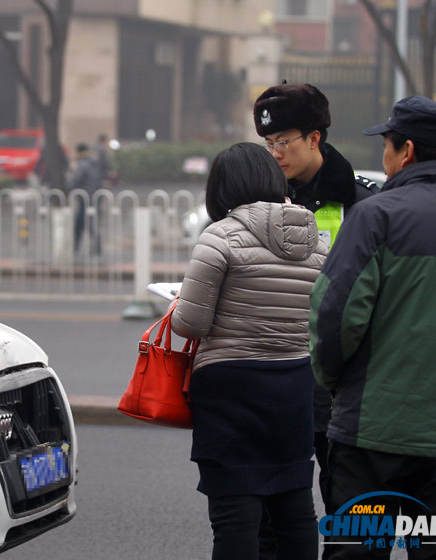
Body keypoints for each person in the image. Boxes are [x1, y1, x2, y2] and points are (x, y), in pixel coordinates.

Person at [309, 96, 436, 559]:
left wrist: (333, 383)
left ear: (405, 151)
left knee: (357, 550)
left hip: (370, 432)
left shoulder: (375, 216)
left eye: (387, 145)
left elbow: (335, 316)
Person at [171, 142, 326, 560]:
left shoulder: (219, 237)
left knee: (235, 512)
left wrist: (176, 306)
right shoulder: (317, 241)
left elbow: (191, 324)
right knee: (295, 508)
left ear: (221, 188)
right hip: (295, 383)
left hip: (230, 387)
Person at [253, 82, 379, 514]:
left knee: (352, 510)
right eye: (268, 143)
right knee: (277, 511)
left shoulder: (363, 204)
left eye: (284, 142)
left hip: (342, 384)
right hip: (276, 376)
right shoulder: (258, 201)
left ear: (314, 138)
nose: (275, 153)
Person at [66, 143, 102, 254]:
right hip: (94, 196)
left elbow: (76, 179)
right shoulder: (94, 162)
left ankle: (77, 246)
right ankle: (93, 247)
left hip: (85, 197)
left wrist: (67, 190)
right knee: (87, 222)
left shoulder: (83, 164)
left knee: (82, 222)